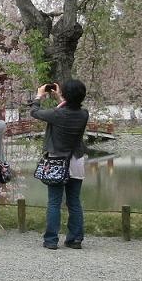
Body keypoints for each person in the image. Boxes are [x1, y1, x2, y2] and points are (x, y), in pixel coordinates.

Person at [29, 79, 89, 250]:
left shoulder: (57, 115)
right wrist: (60, 99)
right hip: (76, 160)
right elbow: (69, 109)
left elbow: (35, 112)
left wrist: (39, 96)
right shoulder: (84, 114)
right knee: (74, 202)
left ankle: (51, 240)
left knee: (54, 202)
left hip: (56, 161)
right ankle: (75, 239)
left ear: (66, 95)